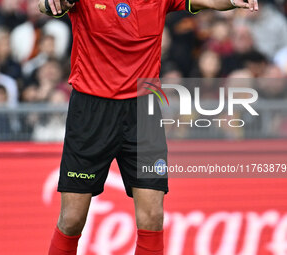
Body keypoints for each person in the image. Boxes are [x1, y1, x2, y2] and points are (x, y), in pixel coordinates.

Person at [38, 0, 259, 254]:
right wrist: (50, 2)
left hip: (143, 110)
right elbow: (46, 6)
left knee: (153, 216)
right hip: (91, 111)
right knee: (72, 218)